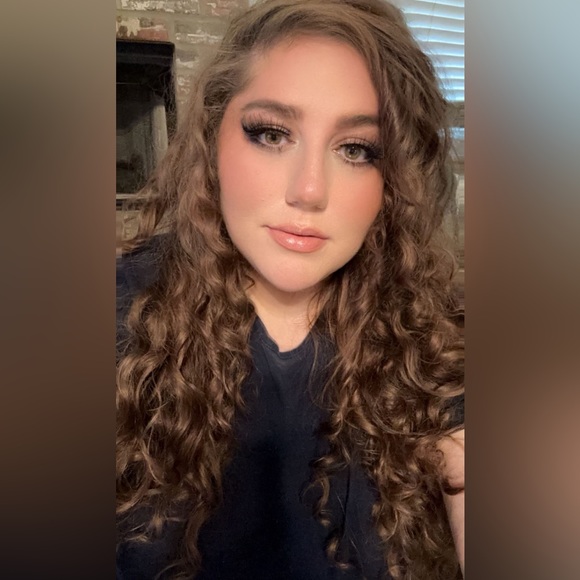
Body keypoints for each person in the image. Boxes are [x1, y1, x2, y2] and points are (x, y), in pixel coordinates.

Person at [116, 1, 465, 579]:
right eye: (272, 134)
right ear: (212, 138)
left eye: (356, 149)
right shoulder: (116, 312)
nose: (309, 191)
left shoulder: (434, 334)